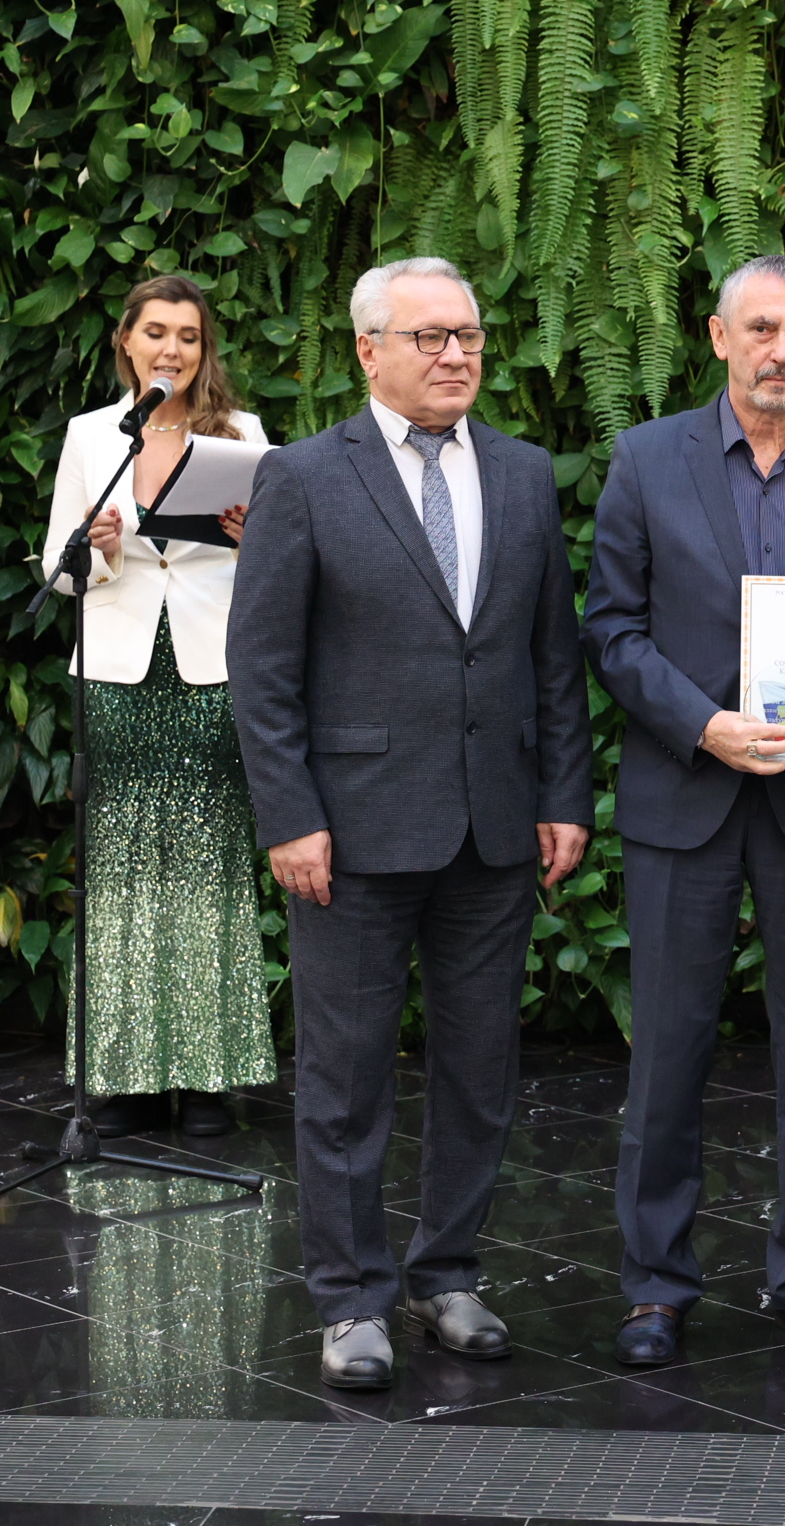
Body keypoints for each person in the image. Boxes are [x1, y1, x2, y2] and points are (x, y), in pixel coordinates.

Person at [227, 255, 595, 1391]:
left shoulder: (523, 473)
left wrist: (562, 795)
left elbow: (550, 653)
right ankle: (350, 1299)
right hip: (350, 832)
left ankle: (450, 1274)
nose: (454, 355)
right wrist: (290, 816)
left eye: (468, 336)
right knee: (344, 1079)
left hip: (495, 828)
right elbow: (263, 667)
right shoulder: (302, 476)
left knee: (480, 1068)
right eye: (430, 337)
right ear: (368, 351)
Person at [581, 254, 785, 1368]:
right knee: (667, 1049)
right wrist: (704, 725)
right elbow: (612, 630)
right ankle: (655, 1287)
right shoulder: (646, 458)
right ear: (719, 337)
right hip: (686, 791)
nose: (782, 350)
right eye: (761, 328)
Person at [38, 273, 274, 1139]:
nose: (173, 348)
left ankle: (208, 1078)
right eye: (157, 333)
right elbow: (58, 571)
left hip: (212, 670)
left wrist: (256, 540)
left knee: (210, 868)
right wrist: (95, 550)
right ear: (126, 343)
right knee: (122, 871)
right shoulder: (91, 436)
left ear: (205, 351)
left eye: (189, 336)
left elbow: (281, 568)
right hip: (118, 675)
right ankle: (126, 1080)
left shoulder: (243, 434)